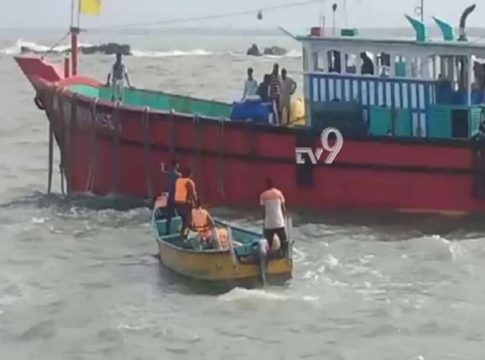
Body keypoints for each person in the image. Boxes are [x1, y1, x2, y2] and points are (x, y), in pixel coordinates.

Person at [259, 177, 288, 254]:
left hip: (269, 223)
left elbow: (263, 211)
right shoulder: (279, 193)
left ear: (266, 185)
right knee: (284, 241)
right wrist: (284, 218)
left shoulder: (263, 195)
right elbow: (284, 209)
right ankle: (284, 255)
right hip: (279, 222)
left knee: (268, 243)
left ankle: (268, 259)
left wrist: (264, 220)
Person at [174, 167, 198, 237]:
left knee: (185, 220)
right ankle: (183, 235)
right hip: (184, 204)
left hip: (177, 204)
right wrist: (197, 204)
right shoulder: (189, 182)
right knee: (188, 220)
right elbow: (194, 195)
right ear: (190, 174)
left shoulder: (178, 180)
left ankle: (186, 233)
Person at [165, 160, 181, 235]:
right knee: (180, 212)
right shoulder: (178, 175)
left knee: (169, 214)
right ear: (176, 165)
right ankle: (179, 229)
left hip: (170, 195)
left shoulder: (168, 174)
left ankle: (167, 230)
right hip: (176, 195)